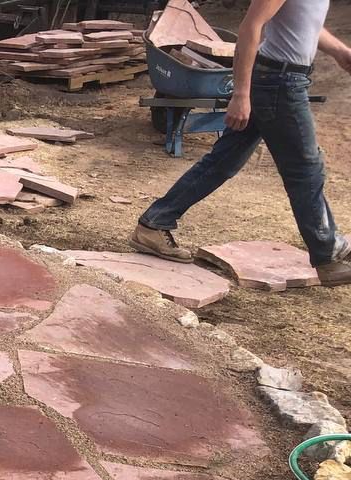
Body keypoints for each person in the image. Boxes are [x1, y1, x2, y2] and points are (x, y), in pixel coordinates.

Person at [132, 0, 351, 285]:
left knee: (223, 162)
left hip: (283, 78)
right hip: (278, 82)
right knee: (305, 169)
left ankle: (154, 223)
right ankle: (327, 255)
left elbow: (303, 21)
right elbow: (250, 26)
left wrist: (339, 50)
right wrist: (241, 94)